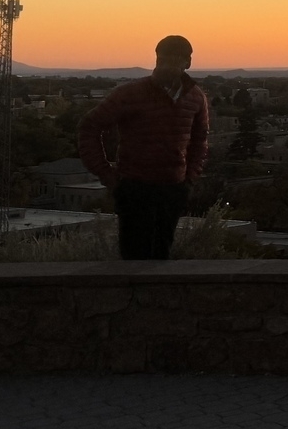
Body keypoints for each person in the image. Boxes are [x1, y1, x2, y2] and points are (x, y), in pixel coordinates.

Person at [77, 35, 210, 260]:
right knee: (134, 258)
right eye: (162, 60)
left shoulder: (195, 98)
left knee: (161, 256)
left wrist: (189, 178)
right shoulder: (130, 94)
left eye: (173, 61)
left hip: (173, 189)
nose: (165, 66)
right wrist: (106, 174)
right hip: (134, 188)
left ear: (187, 63)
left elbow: (200, 141)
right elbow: (88, 127)